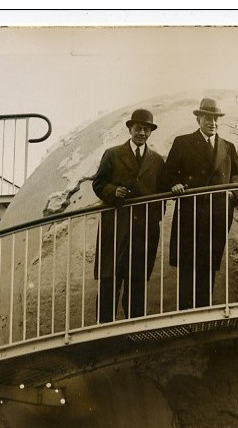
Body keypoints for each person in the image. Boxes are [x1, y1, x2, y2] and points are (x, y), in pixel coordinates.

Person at [160, 97, 238, 310]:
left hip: (216, 218)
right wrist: (175, 184)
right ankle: (186, 318)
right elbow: (167, 174)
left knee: (208, 268)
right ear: (198, 119)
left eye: (215, 119)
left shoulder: (228, 147)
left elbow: (237, 177)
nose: (212, 123)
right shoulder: (182, 143)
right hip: (190, 216)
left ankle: (204, 314)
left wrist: (232, 196)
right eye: (207, 118)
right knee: (188, 268)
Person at [92, 108, 165, 322]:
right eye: (138, 128)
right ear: (130, 129)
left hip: (144, 233)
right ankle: (103, 330)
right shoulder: (113, 154)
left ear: (150, 132)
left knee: (137, 283)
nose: (142, 133)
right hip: (116, 228)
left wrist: (154, 219)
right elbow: (98, 184)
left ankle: (134, 329)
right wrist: (113, 192)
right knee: (110, 281)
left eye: (146, 129)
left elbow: (161, 191)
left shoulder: (157, 160)